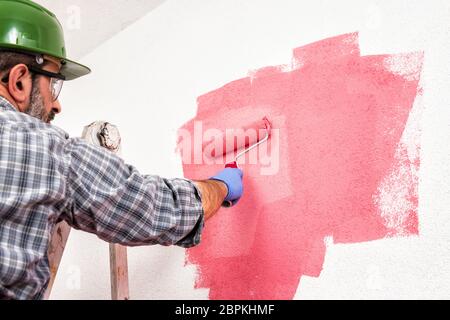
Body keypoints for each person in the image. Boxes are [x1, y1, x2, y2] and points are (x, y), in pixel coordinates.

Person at [0, 0, 243, 299]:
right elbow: (152, 208)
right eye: (54, 85)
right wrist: (219, 187)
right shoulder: (43, 149)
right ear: (19, 81)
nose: (56, 104)